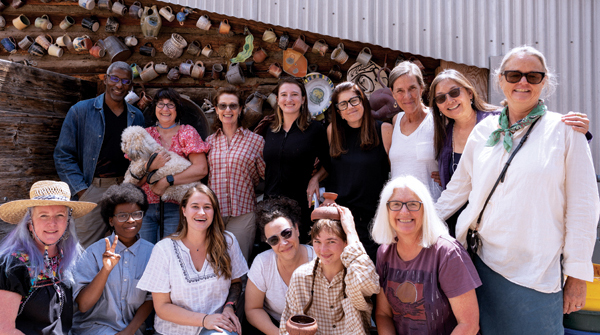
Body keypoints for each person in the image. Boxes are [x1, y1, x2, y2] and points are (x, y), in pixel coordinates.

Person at [436, 46, 600, 334]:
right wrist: (419, 226)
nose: (522, 82)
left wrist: (576, 274)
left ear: (544, 82)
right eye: (513, 75)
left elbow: (583, 207)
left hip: (536, 273)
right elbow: (457, 190)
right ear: (500, 80)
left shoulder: (565, 131)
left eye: (532, 76)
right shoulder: (484, 132)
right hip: (480, 265)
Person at [429, 69, 591, 236]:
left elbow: (541, 135)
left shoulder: (498, 122)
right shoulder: (443, 133)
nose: (449, 100)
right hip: (454, 218)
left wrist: (575, 130)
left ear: (469, 93)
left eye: (454, 92)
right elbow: (458, 179)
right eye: (441, 98)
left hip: (496, 223)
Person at [371, 175, 480, 335]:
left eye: (413, 204)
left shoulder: (447, 253)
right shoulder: (384, 252)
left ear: (426, 210)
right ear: (386, 211)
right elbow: (383, 314)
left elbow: (469, 325)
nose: (404, 211)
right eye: (395, 204)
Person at [54, 61, 144, 248]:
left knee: (125, 247)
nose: (119, 85)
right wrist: (82, 191)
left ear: (130, 86)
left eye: (126, 81)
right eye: (115, 78)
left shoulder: (136, 116)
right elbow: (63, 155)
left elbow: (141, 156)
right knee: (82, 249)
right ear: (105, 79)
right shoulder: (81, 111)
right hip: (93, 189)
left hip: (126, 188)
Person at [137, 183, 247, 335]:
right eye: (195, 206)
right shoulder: (164, 249)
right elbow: (161, 307)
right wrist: (204, 319)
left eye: (207, 207)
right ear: (183, 211)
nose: (201, 212)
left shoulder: (228, 241)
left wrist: (229, 306)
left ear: (214, 211)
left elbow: (236, 281)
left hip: (215, 329)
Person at [0, 180, 96, 334]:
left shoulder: (65, 259)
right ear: (30, 224)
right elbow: (5, 330)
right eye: (43, 216)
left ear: (67, 222)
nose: (52, 223)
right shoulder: (14, 265)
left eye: (59, 215)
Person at [280, 204, 379, 335]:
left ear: (346, 242)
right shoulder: (301, 277)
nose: (323, 250)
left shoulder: (354, 274)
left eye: (331, 241)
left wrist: (351, 232)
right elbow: (285, 329)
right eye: (317, 242)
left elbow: (368, 283)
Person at [71, 183, 153, 335]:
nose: (131, 220)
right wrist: (105, 270)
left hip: (132, 330)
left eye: (136, 214)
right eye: (122, 216)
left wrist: (129, 331)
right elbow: (83, 305)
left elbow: (151, 299)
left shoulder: (153, 253)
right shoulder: (93, 253)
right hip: (93, 328)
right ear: (111, 220)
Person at [327, 81, 392, 263]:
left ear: (363, 101)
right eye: (343, 104)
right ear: (338, 111)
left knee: (372, 275)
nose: (350, 107)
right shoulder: (333, 132)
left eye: (354, 100)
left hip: (373, 218)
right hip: (341, 219)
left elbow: (396, 170)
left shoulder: (384, 130)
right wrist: (315, 179)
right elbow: (333, 168)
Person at [262, 77, 330, 243]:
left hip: (299, 205)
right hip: (270, 205)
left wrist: (315, 178)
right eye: (284, 95)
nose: (289, 99)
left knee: (297, 253)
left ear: (303, 99)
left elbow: (329, 164)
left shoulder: (315, 130)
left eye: (294, 94)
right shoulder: (269, 130)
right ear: (278, 100)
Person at [138, 88, 210, 244]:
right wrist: (150, 167)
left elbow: (201, 169)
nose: (165, 109)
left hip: (176, 206)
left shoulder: (186, 133)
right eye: (161, 104)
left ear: (177, 109)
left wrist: (167, 181)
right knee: (146, 255)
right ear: (155, 108)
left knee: (172, 253)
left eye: (170, 105)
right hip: (146, 206)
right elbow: (135, 177)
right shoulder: (145, 135)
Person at [206, 86, 266, 261]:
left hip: (244, 212)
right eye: (223, 106)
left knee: (238, 264)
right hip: (214, 212)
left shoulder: (256, 141)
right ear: (216, 110)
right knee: (214, 261)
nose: (228, 110)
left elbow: (266, 175)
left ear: (240, 109)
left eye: (233, 106)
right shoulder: (208, 142)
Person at [245, 197, 316, 335]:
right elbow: (253, 309)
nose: (283, 243)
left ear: (297, 229)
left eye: (286, 233)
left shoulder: (319, 259)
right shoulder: (262, 263)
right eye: (273, 239)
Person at [388, 61, 442, 201]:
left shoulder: (438, 120)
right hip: (399, 209)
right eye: (400, 90)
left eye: (412, 88)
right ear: (392, 93)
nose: (407, 96)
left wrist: (448, 175)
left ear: (422, 88)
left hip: (431, 207)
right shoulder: (396, 120)